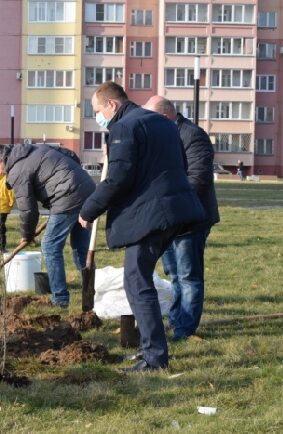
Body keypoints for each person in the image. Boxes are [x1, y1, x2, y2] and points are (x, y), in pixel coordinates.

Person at [79, 82, 206, 372]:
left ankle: (155, 358)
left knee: (137, 282)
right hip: (176, 210)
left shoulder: (124, 128)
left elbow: (119, 178)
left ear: (112, 105)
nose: (98, 117)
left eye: (98, 111)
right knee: (139, 279)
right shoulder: (162, 124)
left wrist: (89, 210)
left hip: (153, 214)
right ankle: (149, 348)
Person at [143, 96, 220, 342]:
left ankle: (186, 328)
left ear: (164, 117)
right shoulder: (159, 137)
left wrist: (170, 204)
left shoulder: (193, 136)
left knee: (188, 275)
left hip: (190, 219)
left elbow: (198, 178)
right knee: (175, 274)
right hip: (167, 220)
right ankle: (177, 321)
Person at [0, 144, 95, 307]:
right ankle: (92, 292)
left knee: (50, 246)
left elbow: (28, 210)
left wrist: (26, 234)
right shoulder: (34, 148)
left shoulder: (17, 171)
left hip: (67, 196)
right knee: (81, 247)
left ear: (4, 160)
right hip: (86, 188)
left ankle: (60, 299)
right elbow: (70, 155)